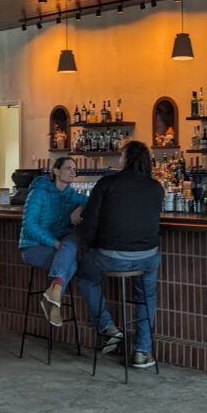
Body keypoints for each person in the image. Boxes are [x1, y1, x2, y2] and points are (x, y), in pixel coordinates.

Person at [76, 141, 164, 369]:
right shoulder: (156, 187)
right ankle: (142, 352)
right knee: (147, 294)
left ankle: (108, 328)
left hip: (111, 256)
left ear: (125, 159)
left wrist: (92, 245)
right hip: (147, 256)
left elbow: (91, 219)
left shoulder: (107, 183)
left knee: (85, 274)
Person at [19, 157, 87, 327]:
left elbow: (93, 201)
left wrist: (80, 208)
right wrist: (55, 243)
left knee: (72, 240)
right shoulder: (39, 192)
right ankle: (53, 302)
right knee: (71, 264)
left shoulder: (72, 196)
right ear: (56, 171)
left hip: (61, 247)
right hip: (33, 247)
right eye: (68, 168)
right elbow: (29, 226)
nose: (73, 172)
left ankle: (53, 296)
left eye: (74, 169)